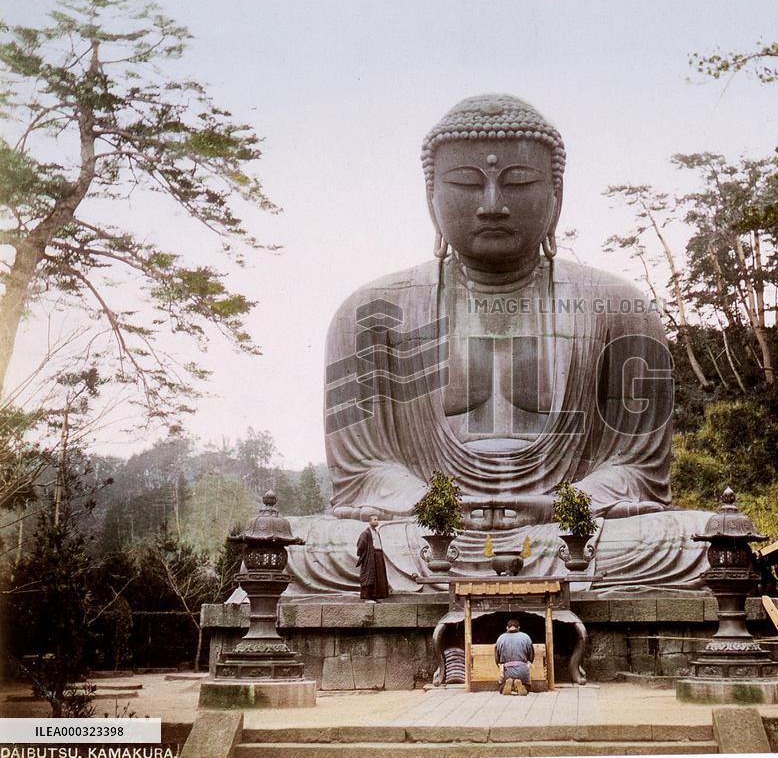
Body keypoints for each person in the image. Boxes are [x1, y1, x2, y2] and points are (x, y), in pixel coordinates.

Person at [285, 94, 713, 594]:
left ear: (557, 196)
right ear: (431, 198)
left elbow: (638, 471)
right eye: (466, 183)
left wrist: (560, 505)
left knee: (694, 542)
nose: (492, 204)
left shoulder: (619, 306)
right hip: (424, 531)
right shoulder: (370, 313)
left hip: (565, 529)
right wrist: (435, 507)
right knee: (309, 547)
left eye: (519, 182)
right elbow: (363, 473)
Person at [495, 619, 533, 695]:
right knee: (528, 686)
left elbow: (497, 658)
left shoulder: (500, 638)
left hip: (507, 670)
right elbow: (531, 656)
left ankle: (507, 687)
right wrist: (527, 664)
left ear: (507, 628)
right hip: (523, 669)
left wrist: (500, 666)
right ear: (518, 628)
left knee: (500, 687)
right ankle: (522, 687)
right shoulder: (526, 637)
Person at [356, 515, 389, 602]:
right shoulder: (365, 533)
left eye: (377, 520)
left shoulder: (376, 532)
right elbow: (361, 545)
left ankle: (375, 596)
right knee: (370, 575)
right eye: (374, 520)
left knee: (378, 576)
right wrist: (363, 554)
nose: (376, 521)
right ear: (370, 522)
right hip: (370, 556)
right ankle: (367, 597)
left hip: (378, 556)